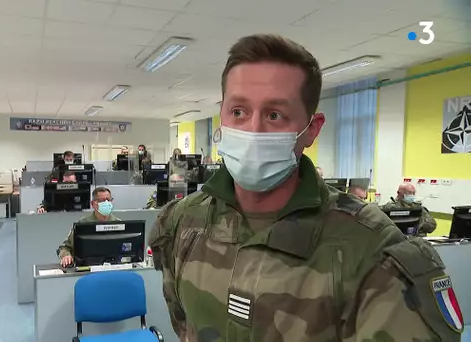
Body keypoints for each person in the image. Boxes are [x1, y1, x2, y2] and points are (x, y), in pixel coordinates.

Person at [149, 34, 461, 341]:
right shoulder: (180, 223)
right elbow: (184, 326)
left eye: (275, 115)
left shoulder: (373, 251)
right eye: (239, 112)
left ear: (311, 129)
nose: (253, 130)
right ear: (222, 118)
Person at [56, 187, 119, 267]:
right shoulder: (83, 224)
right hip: (87, 268)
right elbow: (64, 247)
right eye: (102, 200)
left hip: (114, 268)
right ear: (93, 204)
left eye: (108, 200)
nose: (106, 203)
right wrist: (65, 255)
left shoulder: (119, 224)